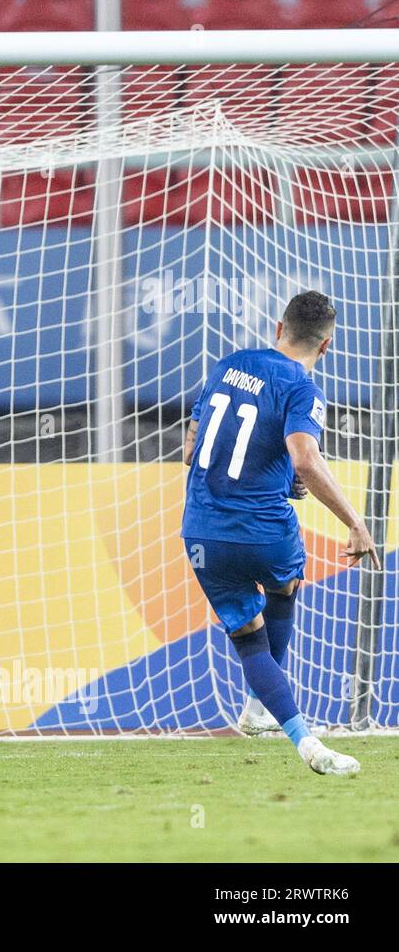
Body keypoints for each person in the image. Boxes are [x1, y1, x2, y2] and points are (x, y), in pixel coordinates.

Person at [181, 290, 378, 775]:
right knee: (284, 585)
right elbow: (305, 460)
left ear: (277, 328)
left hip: (202, 531)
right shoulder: (303, 388)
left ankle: (268, 716)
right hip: (264, 530)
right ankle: (289, 729)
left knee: (248, 635)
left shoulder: (228, 365)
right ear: (326, 345)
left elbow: (190, 449)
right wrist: (355, 521)